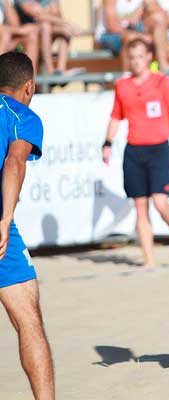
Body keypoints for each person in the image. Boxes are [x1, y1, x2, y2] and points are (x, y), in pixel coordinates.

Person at [102, 39, 169, 267]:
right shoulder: (123, 86)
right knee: (140, 206)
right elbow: (115, 116)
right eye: (132, 57)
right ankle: (149, 259)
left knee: (161, 203)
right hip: (134, 151)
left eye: (141, 56)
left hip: (159, 149)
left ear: (148, 57)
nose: (137, 61)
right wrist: (107, 143)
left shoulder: (162, 82)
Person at [0, 51, 54, 400]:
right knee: (29, 320)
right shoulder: (20, 114)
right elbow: (15, 162)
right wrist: (5, 220)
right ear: (29, 87)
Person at [15, 0, 79, 75]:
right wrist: (67, 23)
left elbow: (57, 15)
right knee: (47, 26)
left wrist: (64, 25)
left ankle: (61, 69)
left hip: (43, 35)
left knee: (65, 30)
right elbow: (38, 16)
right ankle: (50, 70)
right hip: (23, 40)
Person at [0, 0, 39, 73]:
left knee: (31, 36)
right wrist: (20, 30)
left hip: (6, 40)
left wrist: (6, 3)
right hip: (4, 37)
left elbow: (15, 24)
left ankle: (29, 78)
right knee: (6, 34)